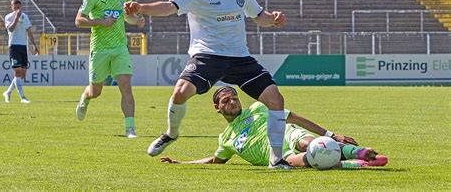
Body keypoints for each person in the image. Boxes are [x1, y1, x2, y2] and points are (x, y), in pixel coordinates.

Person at [124, 0, 291, 169]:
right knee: (180, 93)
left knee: (276, 100)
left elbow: (258, 16)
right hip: (207, 56)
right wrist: (141, 7)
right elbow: (168, 7)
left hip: (240, 57)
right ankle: (171, 134)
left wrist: (274, 19)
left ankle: (276, 159)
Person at [160, 86, 389, 169]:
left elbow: (296, 119)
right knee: (310, 159)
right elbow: (214, 160)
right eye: (226, 101)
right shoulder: (226, 139)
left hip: (289, 136)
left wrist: (330, 134)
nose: (233, 102)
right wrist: (181, 163)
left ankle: (359, 152)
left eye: (234, 98)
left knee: (310, 143)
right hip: (278, 157)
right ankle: (358, 164)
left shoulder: (258, 107)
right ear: (217, 109)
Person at [74, 0, 145, 138]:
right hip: (100, 49)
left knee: (126, 86)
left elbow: (127, 17)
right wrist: (100, 22)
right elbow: (79, 20)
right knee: (95, 91)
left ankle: (130, 129)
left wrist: (136, 21)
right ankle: (85, 98)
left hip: (120, 48)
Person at [3, 0, 39, 104]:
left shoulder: (25, 16)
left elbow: (29, 31)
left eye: (18, 7)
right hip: (14, 46)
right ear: (12, 7)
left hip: (23, 47)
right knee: (17, 72)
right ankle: (23, 97)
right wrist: (16, 17)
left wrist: (34, 45)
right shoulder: (8, 17)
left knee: (22, 74)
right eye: (15, 7)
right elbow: (11, 29)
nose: (17, 9)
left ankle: (8, 92)